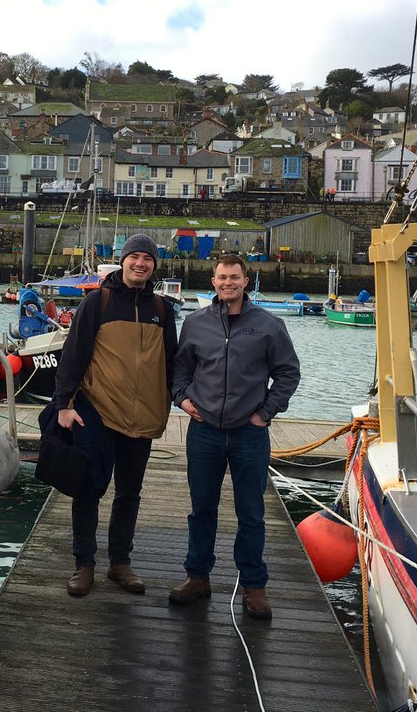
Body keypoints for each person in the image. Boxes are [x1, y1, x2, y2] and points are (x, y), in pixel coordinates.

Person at [169, 254, 300, 618]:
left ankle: (254, 586)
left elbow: (288, 373)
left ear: (246, 281)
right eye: (222, 277)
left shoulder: (269, 325)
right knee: (202, 509)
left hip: (249, 434)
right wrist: (182, 398)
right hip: (204, 432)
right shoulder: (195, 323)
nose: (228, 283)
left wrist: (265, 413)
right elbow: (180, 367)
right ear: (213, 282)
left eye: (235, 277)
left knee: (252, 513)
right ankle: (197, 577)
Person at [53, 234, 178, 597]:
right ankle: (84, 565)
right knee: (89, 489)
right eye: (134, 257)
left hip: (143, 418)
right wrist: (64, 404)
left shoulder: (163, 308)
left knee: (130, 492)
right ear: (122, 261)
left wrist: (185, 398)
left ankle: (120, 563)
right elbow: (73, 354)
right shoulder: (98, 301)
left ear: (155, 265)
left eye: (147, 259)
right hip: (98, 412)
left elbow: (173, 362)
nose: (140, 263)